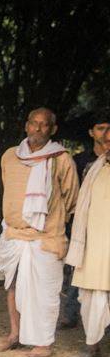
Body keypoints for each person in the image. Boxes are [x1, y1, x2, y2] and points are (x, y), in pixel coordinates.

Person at [0, 108, 78, 357]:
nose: (37, 129)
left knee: (44, 291)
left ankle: (43, 342)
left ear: (52, 130)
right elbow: (8, 188)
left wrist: (49, 221)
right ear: (26, 125)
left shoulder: (61, 159)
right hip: (13, 234)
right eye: (33, 123)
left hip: (45, 237)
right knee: (13, 284)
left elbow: (72, 199)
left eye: (44, 125)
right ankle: (15, 334)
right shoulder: (10, 156)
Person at [61, 111, 110, 329]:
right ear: (91, 132)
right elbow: (71, 193)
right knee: (77, 271)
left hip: (105, 229)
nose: (106, 134)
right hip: (82, 226)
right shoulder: (81, 161)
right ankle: (71, 315)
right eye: (101, 128)